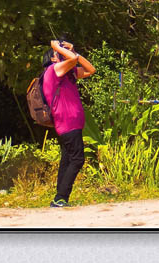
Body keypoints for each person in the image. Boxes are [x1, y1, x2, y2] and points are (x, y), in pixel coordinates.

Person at [42, 38, 95, 207]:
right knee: (78, 159)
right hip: (66, 123)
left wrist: (75, 51)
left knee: (67, 160)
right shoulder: (52, 70)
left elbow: (91, 69)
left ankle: (60, 198)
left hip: (73, 124)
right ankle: (60, 197)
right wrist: (56, 47)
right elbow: (71, 60)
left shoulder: (69, 73)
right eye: (60, 54)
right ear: (53, 58)